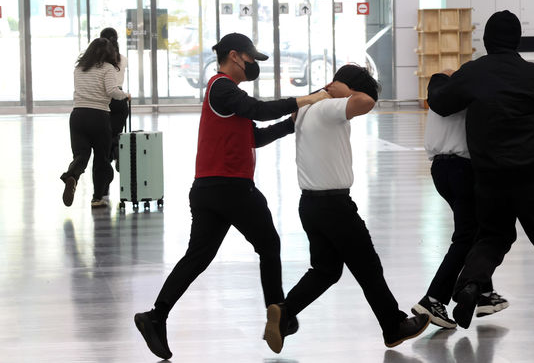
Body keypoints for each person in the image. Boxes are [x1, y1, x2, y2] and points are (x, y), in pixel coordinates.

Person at [133, 33, 329, 360]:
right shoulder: (222, 87)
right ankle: (278, 313)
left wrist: (291, 123)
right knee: (269, 245)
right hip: (231, 187)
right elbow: (259, 110)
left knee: (198, 257)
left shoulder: (228, 95)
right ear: (236, 56)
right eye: (252, 59)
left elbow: (254, 136)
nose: (254, 65)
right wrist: (307, 99)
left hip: (208, 189)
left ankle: (156, 316)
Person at [427, 10, 534, 331]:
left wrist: (438, 79)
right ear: (516, 40)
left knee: (492, 237)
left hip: (487, 177)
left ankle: (470, 285)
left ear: (486, 40)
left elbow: (441, 103)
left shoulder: (473, 73)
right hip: (529, 176)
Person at [263, 65, 430, 354]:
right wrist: (344, 92)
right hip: (334, 206)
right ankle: (393, 326)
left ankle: (285, 312)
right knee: (368, 267)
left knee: (326, 270)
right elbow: (366, 102)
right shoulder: (329, 106)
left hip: (310, 204)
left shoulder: (306, 108)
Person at [411, 99, 508, 329]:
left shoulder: (440, 92)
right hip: (463, 168)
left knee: (475, 232)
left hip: (440, 169)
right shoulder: (469, 93)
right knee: (468, 236)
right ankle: (433, 298)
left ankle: (484, 293)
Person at [61, 38, 130, 208]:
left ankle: (72, 175)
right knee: (101, 158)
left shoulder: (79, 68)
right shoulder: (107, 68)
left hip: (77, 116)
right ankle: (97, 198)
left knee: (81, 155)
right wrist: (125, 95)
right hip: (98, 116)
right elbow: (112, 91)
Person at [99, 27, 129, 171]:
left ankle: (106, 163)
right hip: (120, 100)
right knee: (116, 134)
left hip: (104, 99)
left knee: (104, 137)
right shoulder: (123, 59)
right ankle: (117, 152)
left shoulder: (100, 62)